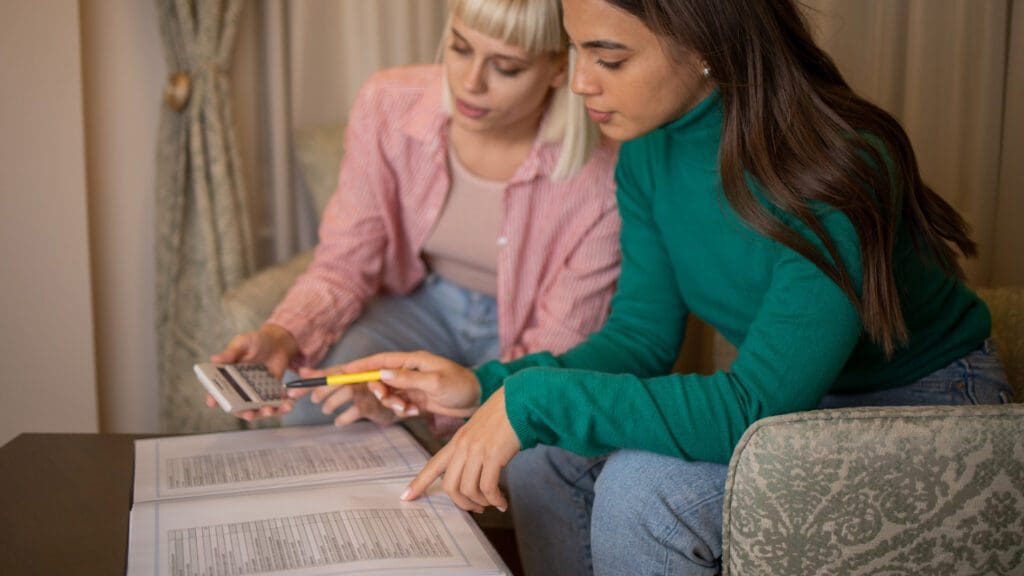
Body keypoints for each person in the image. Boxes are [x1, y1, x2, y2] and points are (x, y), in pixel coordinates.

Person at [337, 0, 1015, 574]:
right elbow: (639, 340)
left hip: (920, 399)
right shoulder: (646, 154)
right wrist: (484, 385)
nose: (578, 83)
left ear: (705, 47)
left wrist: (532, 396)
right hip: (795, 395)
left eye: (609, 59)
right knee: (546, 458)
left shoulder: (841, 165)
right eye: (574, 52)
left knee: (644, 490)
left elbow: (754, 404)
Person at [207, 0, 621, 429]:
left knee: (523, 447)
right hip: (423, 304)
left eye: (506, 68)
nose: (470, 82)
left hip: (534, 333)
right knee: (320, 404)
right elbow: (345, 261)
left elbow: (556, 356)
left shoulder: (604, 178)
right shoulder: (386, 104)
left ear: (560, 69)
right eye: (461, 48)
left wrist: (424, 405)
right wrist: (282, 335)